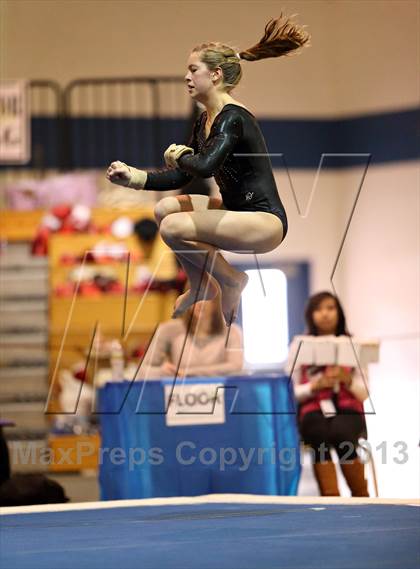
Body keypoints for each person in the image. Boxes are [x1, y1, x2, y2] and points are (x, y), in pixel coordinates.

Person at [106, 14, 310, 326]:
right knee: (164, 210)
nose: (186, 77)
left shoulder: (232, 117)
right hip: (236, 212)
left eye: (193, 70)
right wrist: (134, 177)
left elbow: (205, 165)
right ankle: (201, 284)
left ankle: (229, 280)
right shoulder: (205, 121)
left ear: (215, 75)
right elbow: (184, 175)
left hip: (264, 222)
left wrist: (180, 154)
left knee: (173, 228)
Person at [286, 292, 370, 497]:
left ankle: (361, 496)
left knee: (342, 433)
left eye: (330, 308)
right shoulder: (299, 346)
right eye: (319, 309)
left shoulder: (355, 345)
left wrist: (346, 379)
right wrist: (313, 387)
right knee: (318, 433)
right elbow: (289, 391)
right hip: (313, 409)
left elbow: (364, 393)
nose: (325, 314)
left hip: (348, 409)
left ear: (339, 312)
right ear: (310, 314)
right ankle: (331, 497)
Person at [137, 296, 243, 379]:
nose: (200, 303)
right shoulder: (168, 330)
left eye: (207, 297)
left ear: (218, 301)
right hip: (178, 399)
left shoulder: (232, 332)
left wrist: (187, 373)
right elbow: (142, 372)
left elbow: (236, 367)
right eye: (194, 295)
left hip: (222, 399)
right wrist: (162, 372)